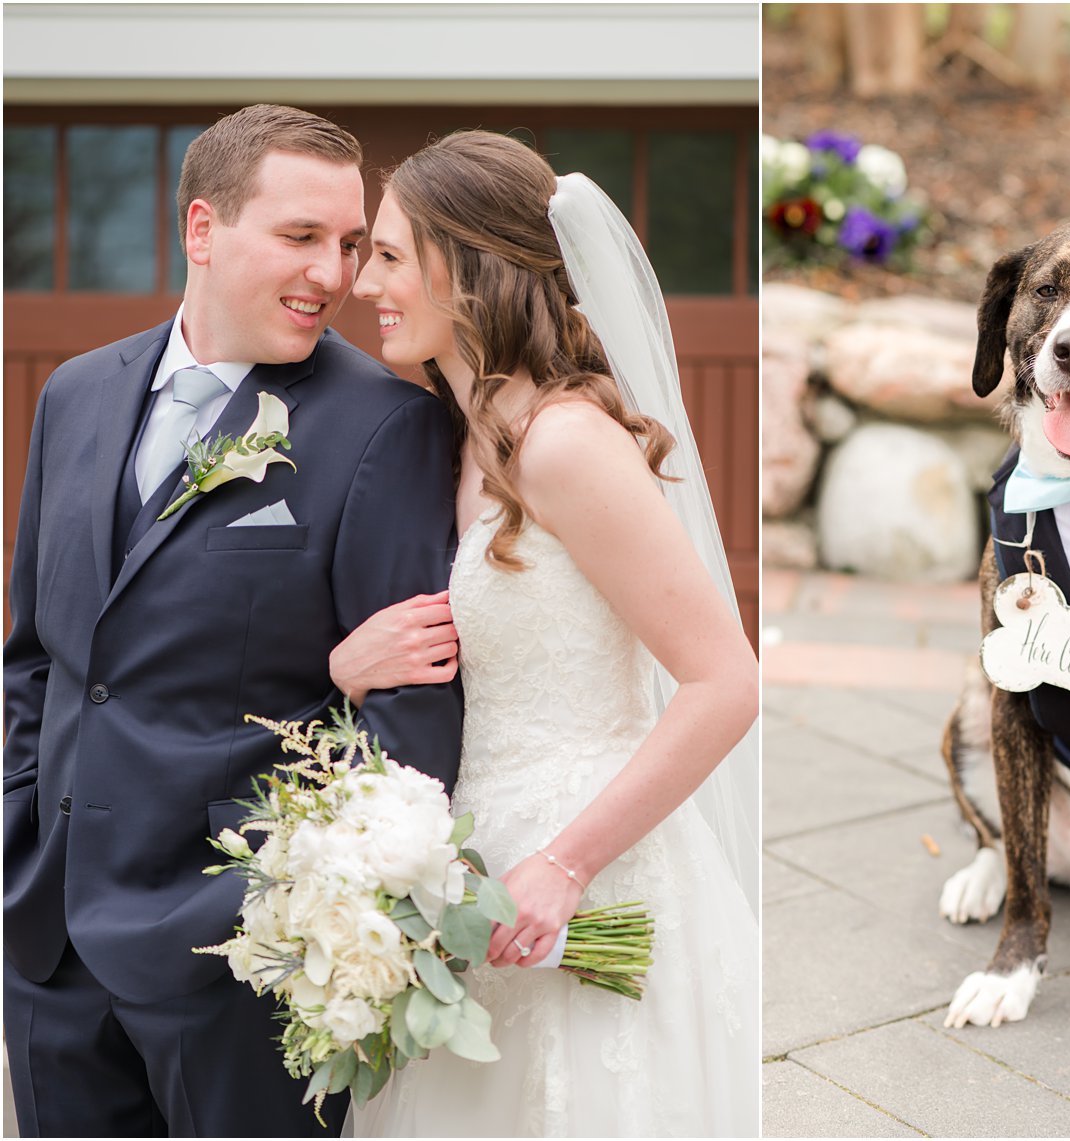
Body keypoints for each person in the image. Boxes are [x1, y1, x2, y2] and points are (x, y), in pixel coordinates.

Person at [2, 104, 464, 1137]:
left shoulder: (386, 427)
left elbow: (408, 728)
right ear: (203, 231)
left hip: (234, 967)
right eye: (301, 236)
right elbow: (38, 657)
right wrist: (18, 838)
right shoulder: (74, 394)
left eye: (349, 245)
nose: (334, 274)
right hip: (47, 948)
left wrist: (270, 915)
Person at [331, 130, 760, 1137]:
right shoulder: (462, 435)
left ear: (467, 263)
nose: (363, 284)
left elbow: (723, 682)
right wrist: (348, 670)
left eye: (390, 255)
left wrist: (564, 865)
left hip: (591, 860)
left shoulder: (566, 442)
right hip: (478, 853)